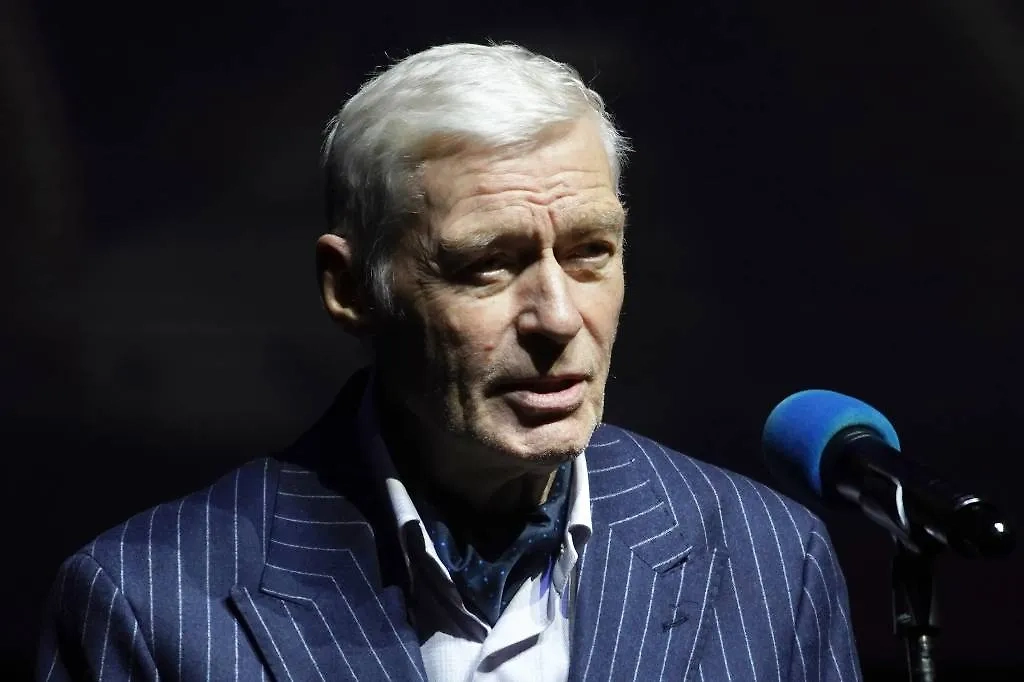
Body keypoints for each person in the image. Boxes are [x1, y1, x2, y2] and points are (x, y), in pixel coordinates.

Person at [38, 43, 861, 681]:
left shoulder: (768, 561)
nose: (558, 318)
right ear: (350, 287)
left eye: (590, 252)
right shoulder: (147, 603)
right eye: (488, 265)